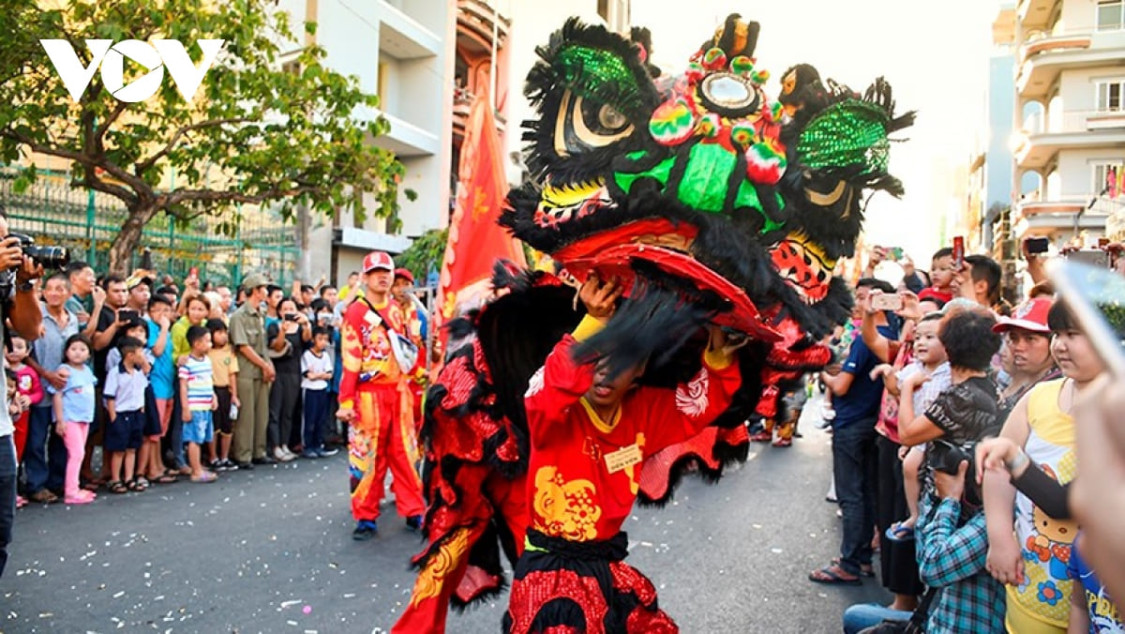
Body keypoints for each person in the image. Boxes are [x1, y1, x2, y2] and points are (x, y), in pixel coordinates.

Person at [501, 275, 745, 632]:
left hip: (606, 566)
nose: (604, 368)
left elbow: (698, 405)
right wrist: (595, 321)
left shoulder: (646, 410)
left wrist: (718, 358)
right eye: (596, 355)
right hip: (550, 577)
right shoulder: (554, 407)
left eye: (619, 359)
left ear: (641, 369)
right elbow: (547, 390)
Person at [983, 300, 1106, 634]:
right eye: (1057, 334)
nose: (1061, 345)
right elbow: (997, 467)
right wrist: (999, 537)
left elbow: (1067, 501)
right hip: (1031, 588)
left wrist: (1013, 457)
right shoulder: (1040, 396)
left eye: (1074, 334)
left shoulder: (1115, 411)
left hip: (1100, 603)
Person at [810, 279, 899, 585]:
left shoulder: (866, 340)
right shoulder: (892, 336)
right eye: (859, 297)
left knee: (851, 495)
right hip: (873, 425)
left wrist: (818, 367)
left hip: (852, 424)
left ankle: (850, 562)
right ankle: (860, 559)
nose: (859, 303)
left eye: (866, 297)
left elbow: (842, 385)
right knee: (866, 493)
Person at [336, 251, 425, 540]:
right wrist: (346, 401)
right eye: (376, 272)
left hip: (399, 393)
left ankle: (413, 510)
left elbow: (407, 353)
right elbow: (350, 360)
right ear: (365, 278)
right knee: (367, 458)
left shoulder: (399, 311)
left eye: (386, 271)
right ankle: (365, 516)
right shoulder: (356, 313)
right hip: (368, 396)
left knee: (406, 455)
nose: (383, 277)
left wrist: (421, 374)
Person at [24, 273, 75, 503]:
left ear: (69, 293)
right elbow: (25, 353)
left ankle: (57, 481)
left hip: (65, 391)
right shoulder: (36, 316)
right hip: (40, 387)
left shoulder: (73, 319)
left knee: (60, 437)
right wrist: (46, 374)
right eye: (50, 289)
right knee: (36, 439)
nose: (54, 293)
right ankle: (35, 483)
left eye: (60, 289)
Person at [230, 273, 275, 469]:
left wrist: (268, 364)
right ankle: (243, 454)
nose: (267, 292)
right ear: (255, 291)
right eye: (264, 288)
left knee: (261, 414)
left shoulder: (261, 314)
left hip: (261, 371)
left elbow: (263, 345)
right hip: (246, 371)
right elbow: (243, 346)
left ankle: (259, 451)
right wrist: (264, 365)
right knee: (246, 416)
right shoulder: (239, 316)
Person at [48, 335, 97, 505]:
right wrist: (60, 420)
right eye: (73, 349)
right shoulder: (64, 371)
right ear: (66, 351)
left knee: (78, 453)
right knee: (76, 454)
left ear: (89, 354)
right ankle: (71, 491)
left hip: (84, 418)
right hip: (70, 418)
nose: (78, 353)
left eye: (83, 350)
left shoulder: (86, 370)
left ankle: (74, 486)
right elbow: (57, 395)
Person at [992, 297, 1059, 421]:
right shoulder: (1025, 383)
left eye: (1030, 338)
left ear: (1053, 341)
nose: (1018, 347)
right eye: (1014, 338)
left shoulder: (1057, 391)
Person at [103, 336, 148, 494]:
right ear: (130, 355)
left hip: (136, 413)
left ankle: (129, 477)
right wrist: (113, 416)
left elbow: (142, 389)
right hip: (121, 414)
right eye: (140, 353)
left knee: (132, 448)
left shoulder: (138, 373)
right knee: (119, 449)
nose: (143, 356)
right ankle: (115, 478)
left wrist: (141, 410)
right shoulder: (115, 373)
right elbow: (110, 396)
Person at [267, 297, 310, 461]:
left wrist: (306, 324)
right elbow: (276, 347)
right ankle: (275, 446)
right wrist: (282, 331)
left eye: (291, 308)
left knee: (288, 411)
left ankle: (285, 443)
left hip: (294, 372)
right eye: (285, 309)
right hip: (278, 371)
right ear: (279, 311)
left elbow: (307, 339)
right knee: (275, 410)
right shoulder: (274, 326)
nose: (288, 312)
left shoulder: (299, 327)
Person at [179, 325, 218, 483]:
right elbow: (183, 385)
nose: (210, 344)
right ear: (196, 343)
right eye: (207, 341)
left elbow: (209, 380)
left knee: (201, 436)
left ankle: (198, 466)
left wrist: (213, 396)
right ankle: (196, 470)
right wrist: (185, 407)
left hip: (205, 404)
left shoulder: (207, 361)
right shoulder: (187, 363)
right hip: (194, 406)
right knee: (194, 438)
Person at [206, 318, 239, 471]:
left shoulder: (229, 352)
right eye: (219, 333)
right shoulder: (207, 353)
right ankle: (213, 457)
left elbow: (232, 374)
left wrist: (234, 395)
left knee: (227, 425)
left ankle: (224, 457)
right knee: (214, 425)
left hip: (226, 390)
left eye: (225, 332)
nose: (223, 336)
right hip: (211, 391)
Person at [7, 335, 42, 470]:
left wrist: (30, 399)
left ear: (27, 352)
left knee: (19, 446)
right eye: (10, 346)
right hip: (5, 414)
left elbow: (38, 392)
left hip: (23, 417)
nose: (14, 350)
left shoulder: (29, 372)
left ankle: (15, 480)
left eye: (19, 347)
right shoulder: (3, 370)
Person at [299, 326, 335, 459]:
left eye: (325, 339)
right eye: (320, 339)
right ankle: (308, 446)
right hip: (309, 389)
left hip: (322, 389)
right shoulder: (307, 355)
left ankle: (318, 445)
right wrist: (320, 375)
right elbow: (308, 375)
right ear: (313, 339)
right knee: (310, 419)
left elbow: (329, 374)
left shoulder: (325, 355)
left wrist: (318, 375)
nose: (323, 342)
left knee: (321, 419)